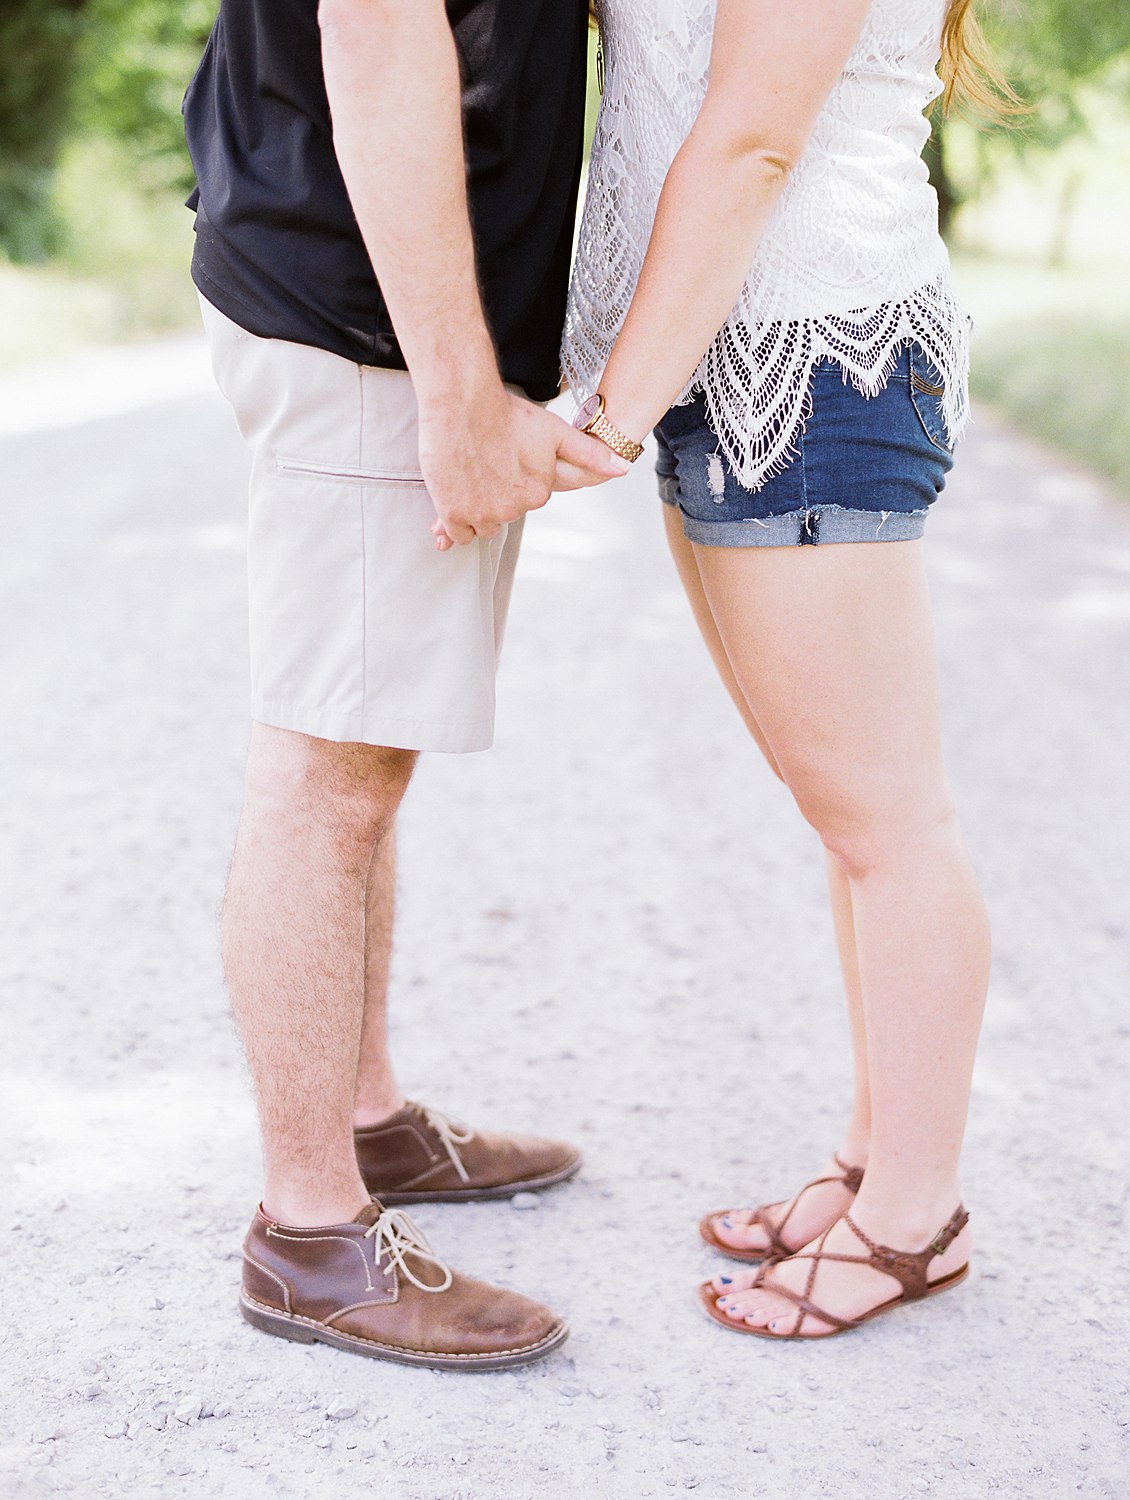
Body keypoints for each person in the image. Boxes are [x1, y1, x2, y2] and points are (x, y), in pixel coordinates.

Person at [182, 0, 626, 1372]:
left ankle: (364, 1120)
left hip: (385, 303)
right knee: (327, 772)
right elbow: (375, 24)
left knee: (367, 757)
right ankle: (311, 1232)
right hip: (366, 314)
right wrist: (452, 389)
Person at [563, 0, 1011, 1338]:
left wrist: (603, 414)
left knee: (889, 823)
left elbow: (756, 140)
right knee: (851, 820)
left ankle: (910, 1222)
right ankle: (877, 1163)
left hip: (814, 355)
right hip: (726, 342)